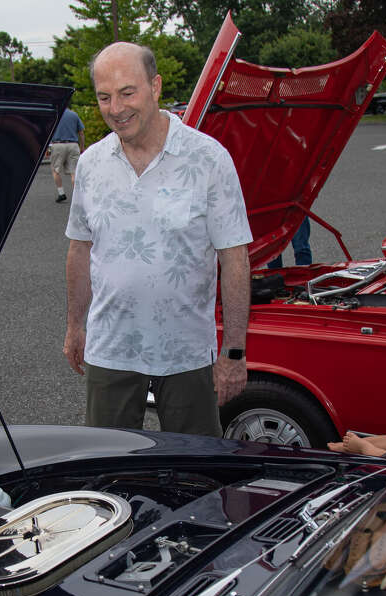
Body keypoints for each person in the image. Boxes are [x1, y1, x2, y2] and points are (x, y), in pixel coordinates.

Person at [63, 42, 253, 437]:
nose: (115, 108)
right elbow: (80, 247)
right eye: (104, 96)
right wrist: (74, 326)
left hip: (185, 351)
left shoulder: (208, 159)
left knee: (195, 472)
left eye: (127, 92)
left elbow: (234, 258)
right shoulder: (91, 164)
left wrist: (234, 352)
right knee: (106, 470)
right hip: (111, 347)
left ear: (156, 86)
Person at [50, 107, 85, 203]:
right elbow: (81, 133)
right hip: (73, 145)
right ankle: (77, 197)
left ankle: (61, 193)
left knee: (55, 170)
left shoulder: (54, 115)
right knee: (74, 172)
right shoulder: (74, 115)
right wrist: (82, 147)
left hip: (58, 144)